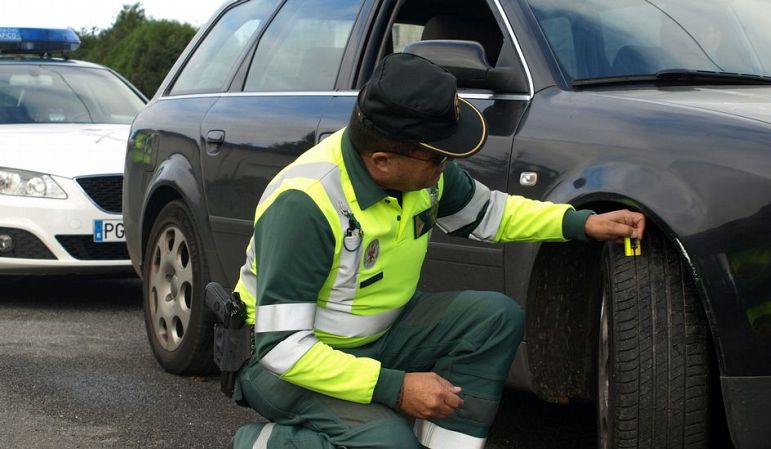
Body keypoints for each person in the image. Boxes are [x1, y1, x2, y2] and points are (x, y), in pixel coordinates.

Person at [230, 52, 645, 449]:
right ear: (383, 162)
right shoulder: (306, 205)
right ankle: (259, 443)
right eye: (437, 158)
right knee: (387, 442)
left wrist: (580, 223)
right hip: (281, 365)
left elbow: (489, 215)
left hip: (376, 335)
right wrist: (397, 388)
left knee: (493, 319)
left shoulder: (421, 173)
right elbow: (282, 349)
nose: (446, 166)